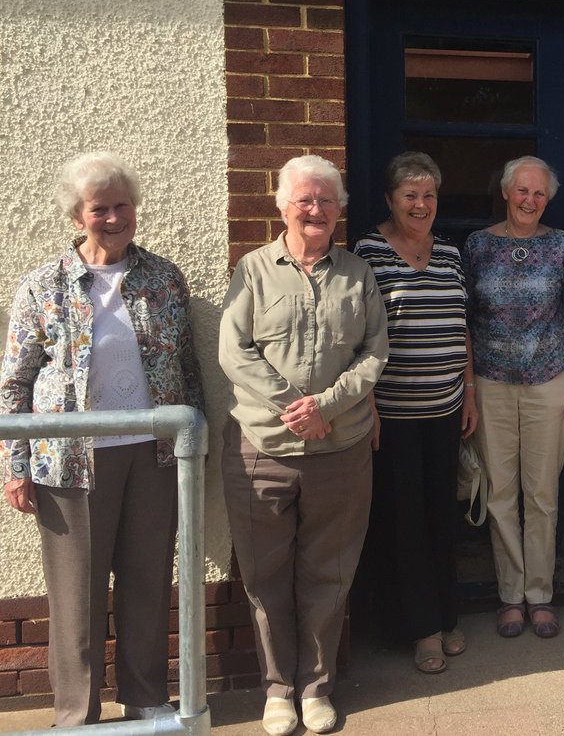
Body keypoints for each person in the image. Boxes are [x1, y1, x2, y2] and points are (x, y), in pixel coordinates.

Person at [0, 152, 204, 727]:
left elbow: (187, 369)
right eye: (99, 208)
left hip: (154, 453)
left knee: (146, 582)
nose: (113, 217)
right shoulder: (42, 285)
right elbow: (13, 383)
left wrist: (195, 445)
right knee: (76, 600)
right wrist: (15, 467)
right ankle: (76, 715)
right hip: (69, 461)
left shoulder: (163, 277)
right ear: (77, 215)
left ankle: (146, 702)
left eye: (122, 205)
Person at [220, 155, 387, 736]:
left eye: (326, 201)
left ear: (339, 210)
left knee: (329, 572)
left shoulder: (358, 274)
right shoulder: (252, 270)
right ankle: (276, 690)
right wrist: (293, 407)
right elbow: (233, 351)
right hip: (262, 450)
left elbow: (374, 353)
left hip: (340, 448)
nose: (315, 210)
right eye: (304, 200)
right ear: (281, 205)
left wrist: (326, 407)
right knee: (266, 576)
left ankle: (316, 688)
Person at [353, 151, 476, 675]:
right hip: (394, 415)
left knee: (440, 518)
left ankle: (445, 615)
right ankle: (420, 629)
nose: (421, 204)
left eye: (428, 195)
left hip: (446, 408)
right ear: (390, 199)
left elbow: (461, 325)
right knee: (404, 523)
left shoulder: (448, 253)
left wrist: (468, 390)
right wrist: (370, 407)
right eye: (410, 195)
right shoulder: (368, 251)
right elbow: (358, 335)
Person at [464, 155, 564, 639]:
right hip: (491, 381)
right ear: (505, 191)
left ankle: (540, 595)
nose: (530, 201)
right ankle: (509, 596)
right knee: (498, 492)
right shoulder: (477, 246)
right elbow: (466, 322)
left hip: (550, 380)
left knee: (542, 493)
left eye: (539, 194)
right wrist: (469, 387)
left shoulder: (559, 245)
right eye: (523, 191)